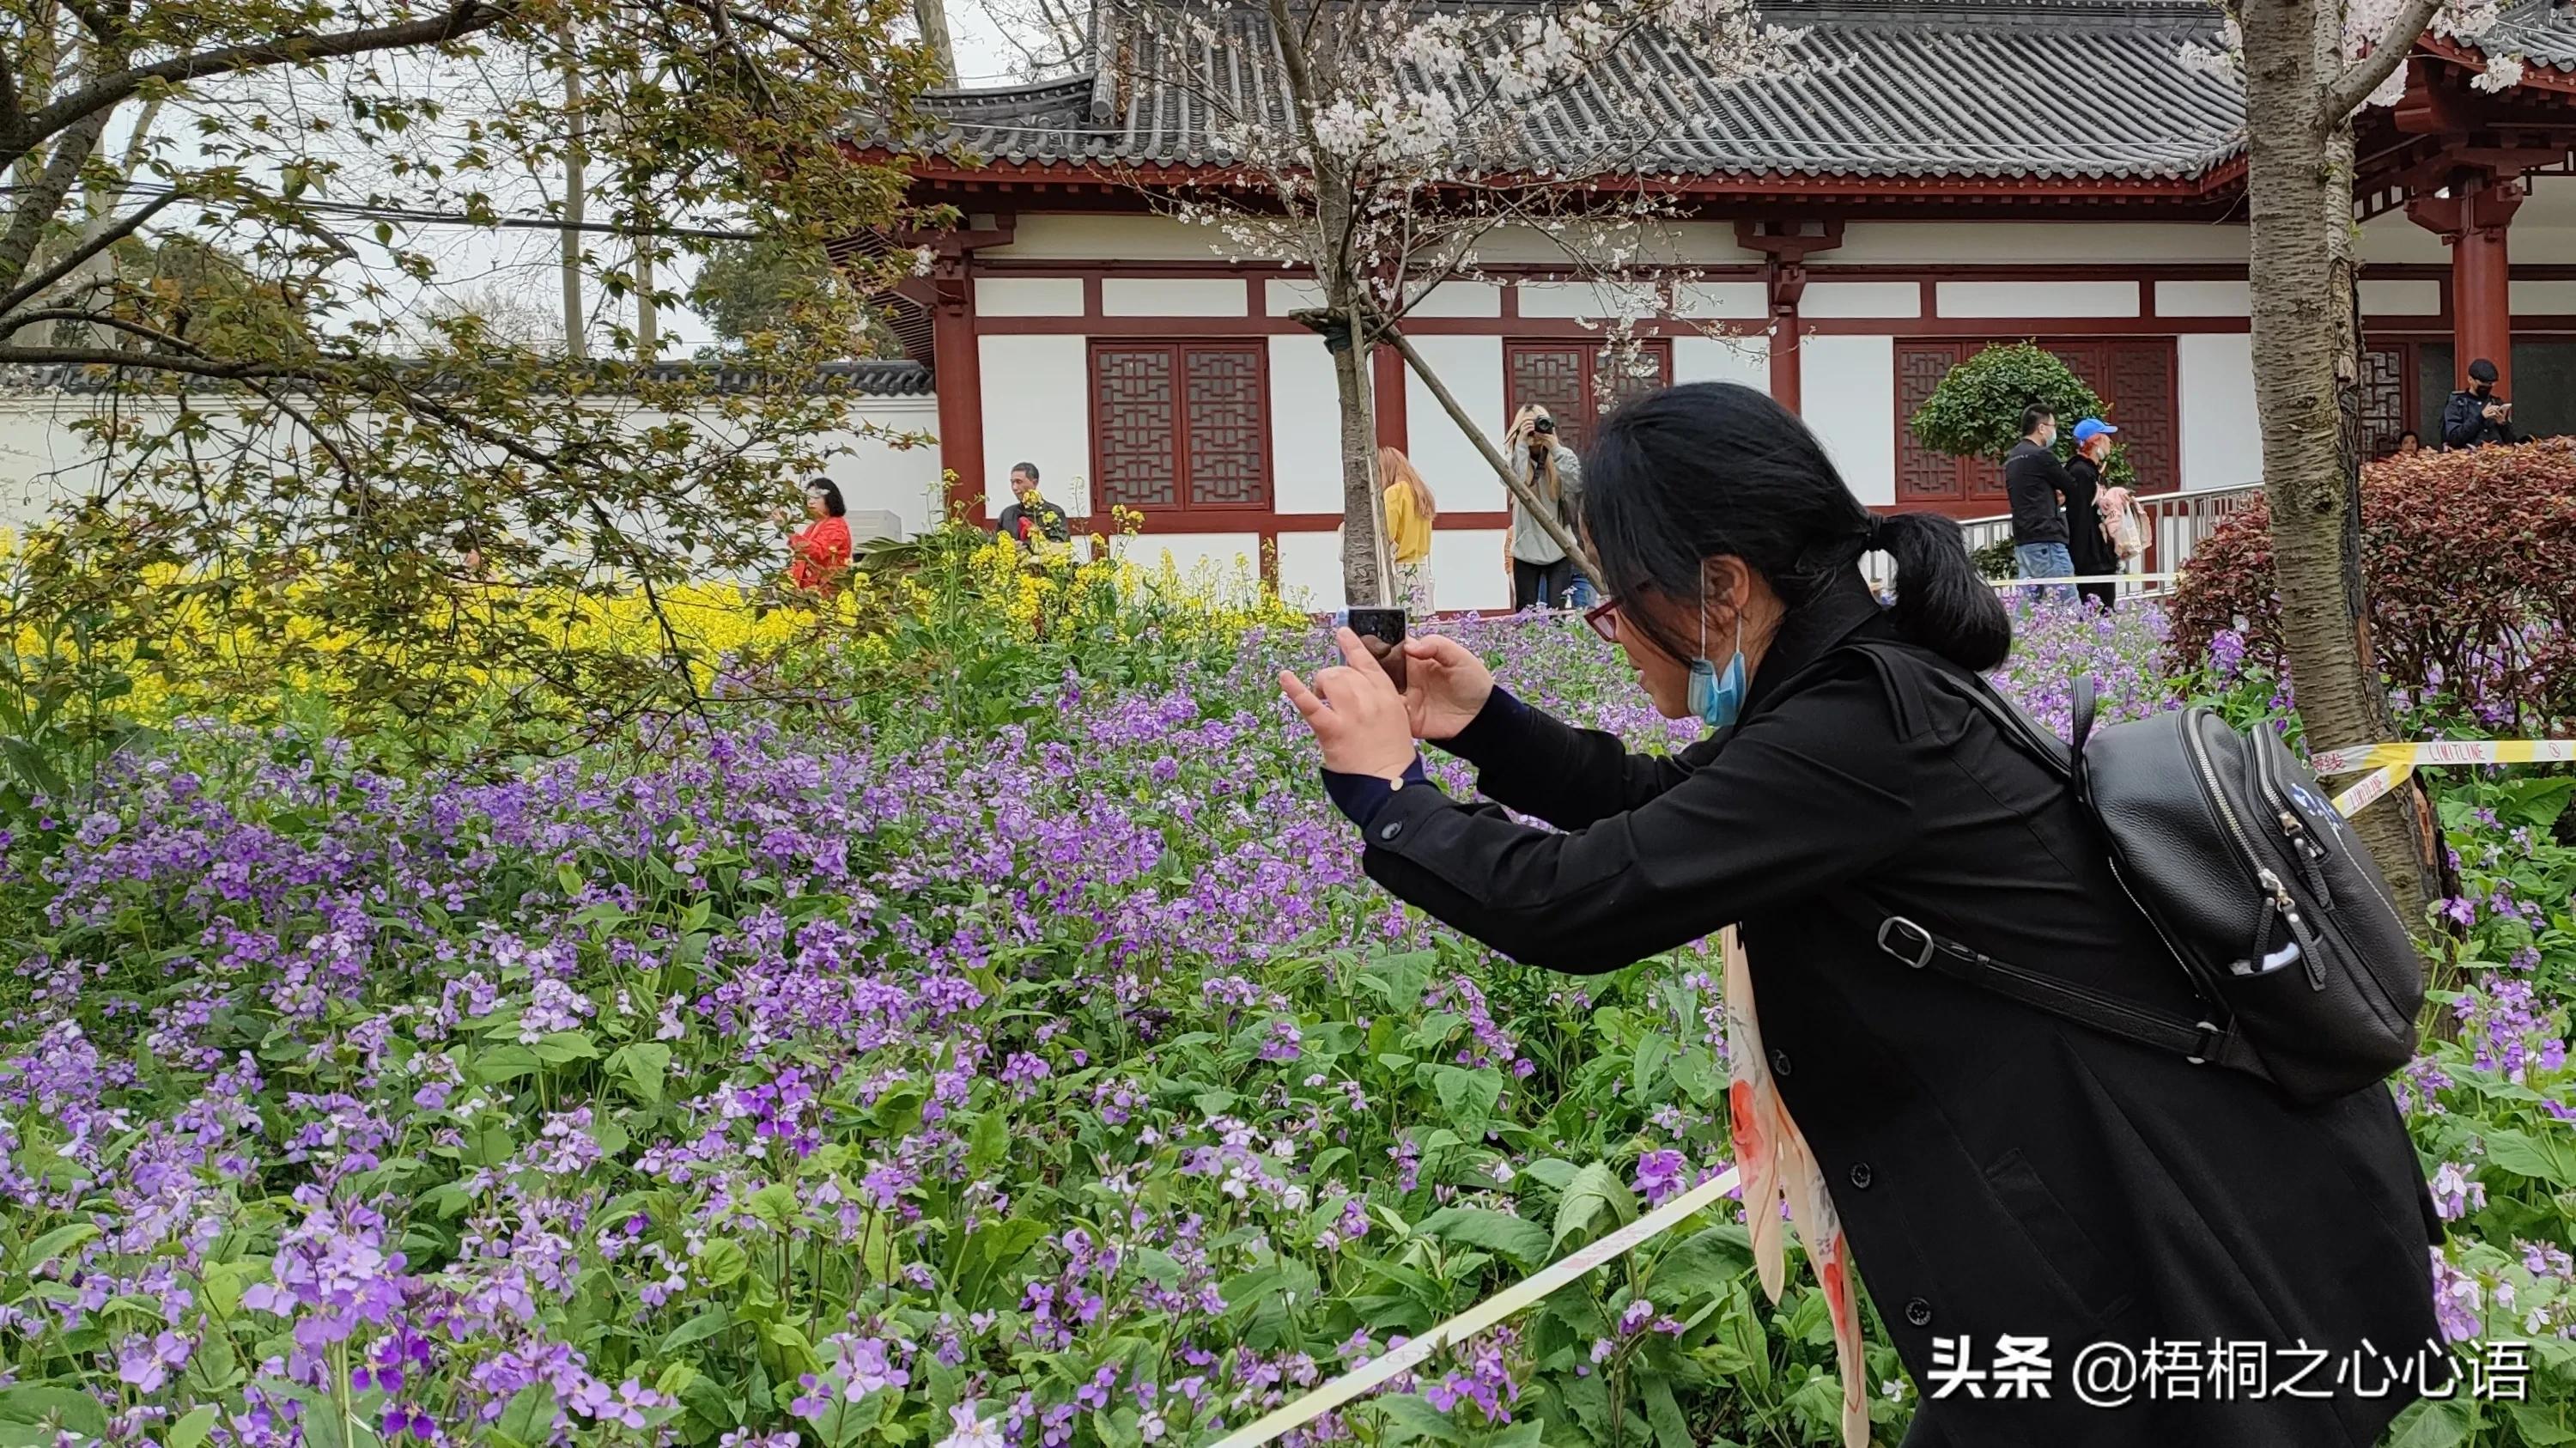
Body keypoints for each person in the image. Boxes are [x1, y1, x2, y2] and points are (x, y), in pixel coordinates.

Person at [1279, 381, 2440, 1448]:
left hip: (2168, 1241)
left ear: (1723, 584)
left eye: (1614, 601)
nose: (1611, 628)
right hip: (2133, 1223)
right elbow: (1660, 810)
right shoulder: (1854, 693)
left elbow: (1575, 903)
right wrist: (1484, 724)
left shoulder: (1857, 731)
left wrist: (1390, 797)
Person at [1505, 405, 1582, 611]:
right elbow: (1513, 483)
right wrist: (1521, 444)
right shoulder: (1514, 457)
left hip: (1560, 548)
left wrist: (1554, 447)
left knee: (1557, 614)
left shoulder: (1561, 456)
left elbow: (1576, 484)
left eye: (1540, 424)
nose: (1535, 432)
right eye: (1529, 426)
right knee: (1526, 615)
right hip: (1525, 551)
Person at [2001, 405, 2079, 603]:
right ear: (2042, 428)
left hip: (2024, 540)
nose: (2054, 431)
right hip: (2047, 538)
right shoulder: (2041, 456)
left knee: (2027, 608)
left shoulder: (2013, 457)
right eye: (2053, 426)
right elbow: (2071, 485)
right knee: (2066, 603)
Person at [2061, 417, 2120, 613]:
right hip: (2090, 560)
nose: (2110, 442)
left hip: (2099, 556)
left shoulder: (2091, 472)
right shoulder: (2081, 472)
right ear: (2095, 441)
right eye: (2106, 437)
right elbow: (2079, 518)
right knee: (2096, 613)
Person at [1378, 446, 1437, 615]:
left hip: (1401, 571)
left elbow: (1387, 535)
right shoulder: (1420, 493)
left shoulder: (1394, 493)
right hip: (1421, 569)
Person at [787, 478, 853, 594]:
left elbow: (817, 552)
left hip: (825, 590)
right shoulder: (813, 527)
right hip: (808, 591)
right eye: (808, 498)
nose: (811, 502)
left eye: (817, 497)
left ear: (830, 499)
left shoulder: (836, 524)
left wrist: (787, 530)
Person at [2441, 358, 2519, 449]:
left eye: (2490, 384)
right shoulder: (2458, 404)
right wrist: (2480, 417)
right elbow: (2454, 438)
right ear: (2470, 379)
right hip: (2469, 457)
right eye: (2483, 384)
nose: (2487, 387)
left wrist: (2502, 423)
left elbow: (2511, 440)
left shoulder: (2496, 402)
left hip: (2497, 456)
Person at [995, 462, 1071, 551]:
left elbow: (1062, 546)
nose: (1014, 487)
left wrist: (1027, 545)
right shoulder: (1007, 514)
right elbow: (996, 543)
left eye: (1019, 482)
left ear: (1034, 483)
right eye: (1012, 482)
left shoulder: (1054, 512)